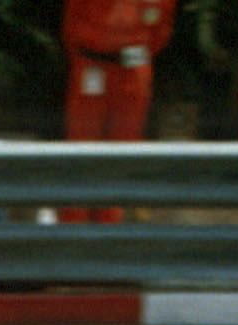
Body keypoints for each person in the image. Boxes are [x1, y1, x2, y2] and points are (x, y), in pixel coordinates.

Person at [58, 0, 173, 222]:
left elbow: (161, 30)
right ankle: (74, 227)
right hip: (91, 65)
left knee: (124, 148)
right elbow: (71, 25)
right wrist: (93, 51)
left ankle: (110, 223)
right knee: (81, 146)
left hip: (133, 71)